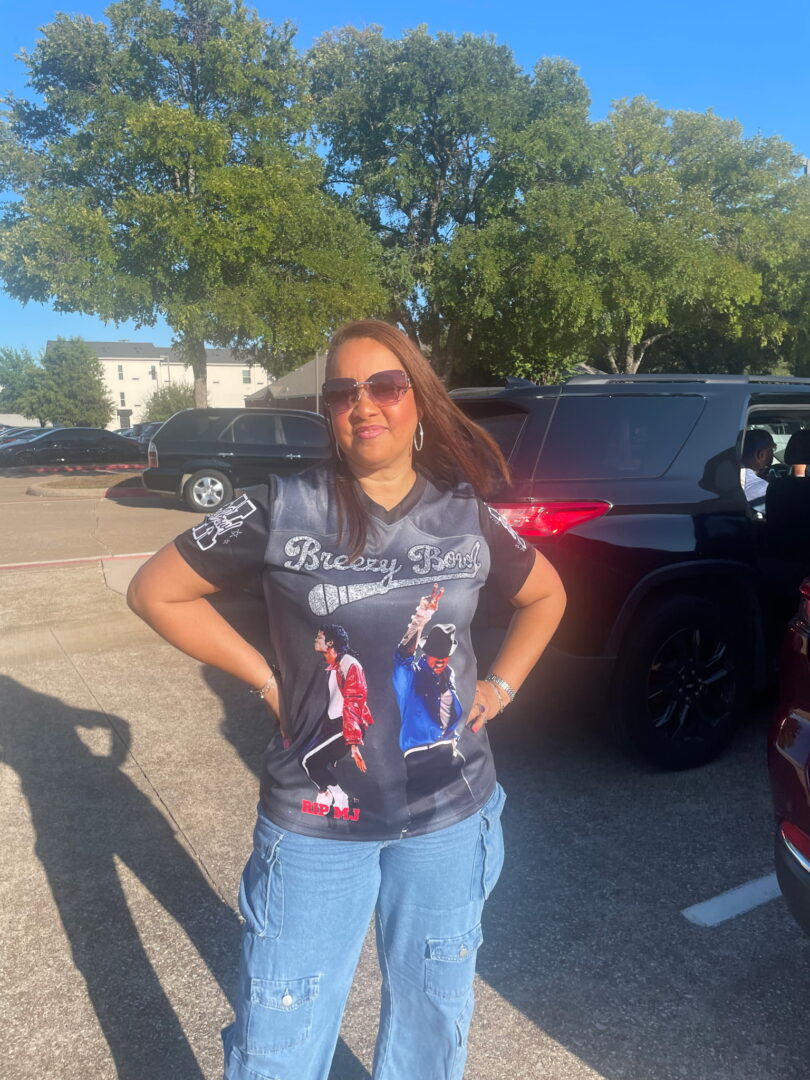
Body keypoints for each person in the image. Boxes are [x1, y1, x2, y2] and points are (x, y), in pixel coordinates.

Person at [127, 319, 566, 1080]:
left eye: (386, 386)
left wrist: (499, 686)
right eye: (342, 392)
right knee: (280, 1035)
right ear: (329, 411)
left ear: (418, 401)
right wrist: (266, 678)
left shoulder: (465, 515)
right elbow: (155, 591)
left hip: (449, 814)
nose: (364, 404)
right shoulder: (280, 506)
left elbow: (546, 595)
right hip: (317, 822)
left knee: (433, 1022)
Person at [302, 623, 373, 815]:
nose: (316, 639)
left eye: (319, 637)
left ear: (331, 642)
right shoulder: (334, 665)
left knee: (308, 761)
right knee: (313, 762)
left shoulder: (349, 664)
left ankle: (334, 795)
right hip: (336, 725)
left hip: (348, 725)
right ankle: (330, 796)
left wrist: (353, 743)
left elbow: (354, 701)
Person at [741, 428, 776, 509]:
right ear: (761, 454)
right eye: (773, 449)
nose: (773, 454)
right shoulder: (762, 490)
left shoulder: (727, 477)